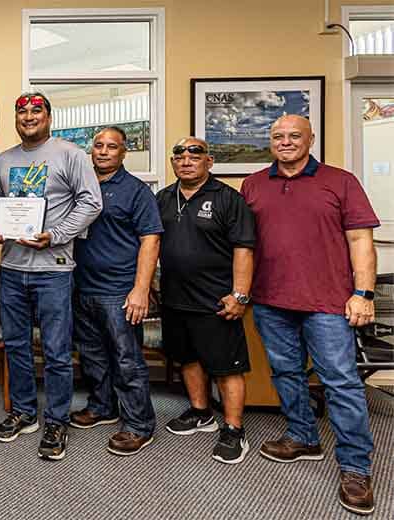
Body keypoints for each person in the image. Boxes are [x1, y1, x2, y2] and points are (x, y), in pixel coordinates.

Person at [242, 115, 379, 515]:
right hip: (270, 301)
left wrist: (363, 293)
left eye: (294, 136)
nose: (285, 142)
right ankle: (302, 436)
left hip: (328, 303)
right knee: (286, 374)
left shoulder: (341, 181)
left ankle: (355, 468)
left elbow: (360, 241)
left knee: (342, 383)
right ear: (270, 141)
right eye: (278, 136)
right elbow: (243, 244)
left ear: (310, 139)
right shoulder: (253, 184)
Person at [0, 92, 103, 461]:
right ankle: (24, 412)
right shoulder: (4, 160)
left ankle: (56, 420)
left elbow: (91, 202)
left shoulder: (69, 154)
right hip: (12, 269)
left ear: (49, 116)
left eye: (36, 111)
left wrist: (56, 235)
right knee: (16, 345)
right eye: (21, 112)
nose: (28, 117)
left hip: (53, 270)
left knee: (55, 350)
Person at [156, 137, 255, 465]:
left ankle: (233, 428)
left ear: (209, 162)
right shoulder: (164, 198)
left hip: (216, 300)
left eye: (194, 154)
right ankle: (201, 412)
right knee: (188, 359)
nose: (186, 160)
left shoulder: (228, 199)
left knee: (227, 367)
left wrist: (239, 295)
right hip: (174, 298)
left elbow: (244, 248)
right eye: (179, 155)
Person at [70, 126, 161, 456]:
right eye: (98, 145)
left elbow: (150, 240)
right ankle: (101, 406)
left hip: (119, 290)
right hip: (81, 286)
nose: (104, 151)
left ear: (124, 153)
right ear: (90, 150)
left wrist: (140, 290)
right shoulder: (80, 187)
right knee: (92, 355)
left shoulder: (137, 191)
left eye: (112, 146)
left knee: (127, 359)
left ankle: (139, 424)